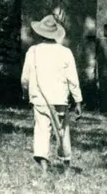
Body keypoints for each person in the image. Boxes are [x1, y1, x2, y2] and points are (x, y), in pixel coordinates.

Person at [21, 14, 83, 175]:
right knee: (62, 132)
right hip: (59, 99)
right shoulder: (65, 52)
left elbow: (25, 78)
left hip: (40, 99)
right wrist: (78, 101)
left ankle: (44, 171)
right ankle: (67, 169)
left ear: (40, 33)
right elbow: (73, 79)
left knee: (41, 131)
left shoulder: (32, 52)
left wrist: (25, 93)